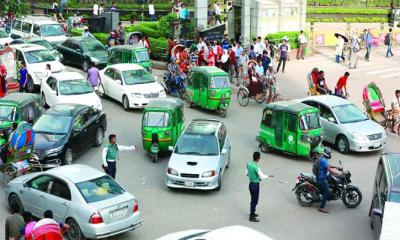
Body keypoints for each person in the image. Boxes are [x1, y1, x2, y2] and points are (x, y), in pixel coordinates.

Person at [246, 151, 273, 222]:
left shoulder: (248, 164)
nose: (260, 158)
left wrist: (252, 177)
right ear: (258, 158)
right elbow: (262, 176)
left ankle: (252, 212)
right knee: (254, 200)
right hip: (255, 185)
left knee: (253, 199)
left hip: (250, 184)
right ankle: (251, 217)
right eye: (259, 157)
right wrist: (268, 176)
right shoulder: (256, 167)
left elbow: (246, 173)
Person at [316, 147, 342, 213]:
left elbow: (328, 165)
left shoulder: (323, 158)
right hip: (321, 178)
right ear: (327, 153)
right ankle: (321, 207)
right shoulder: (324, 160)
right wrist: (338, 173)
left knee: (331, 179)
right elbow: (329, 169)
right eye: (329, 153)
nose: (330, 154)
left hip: (322, 176)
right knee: (327, 192)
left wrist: (337, 167)